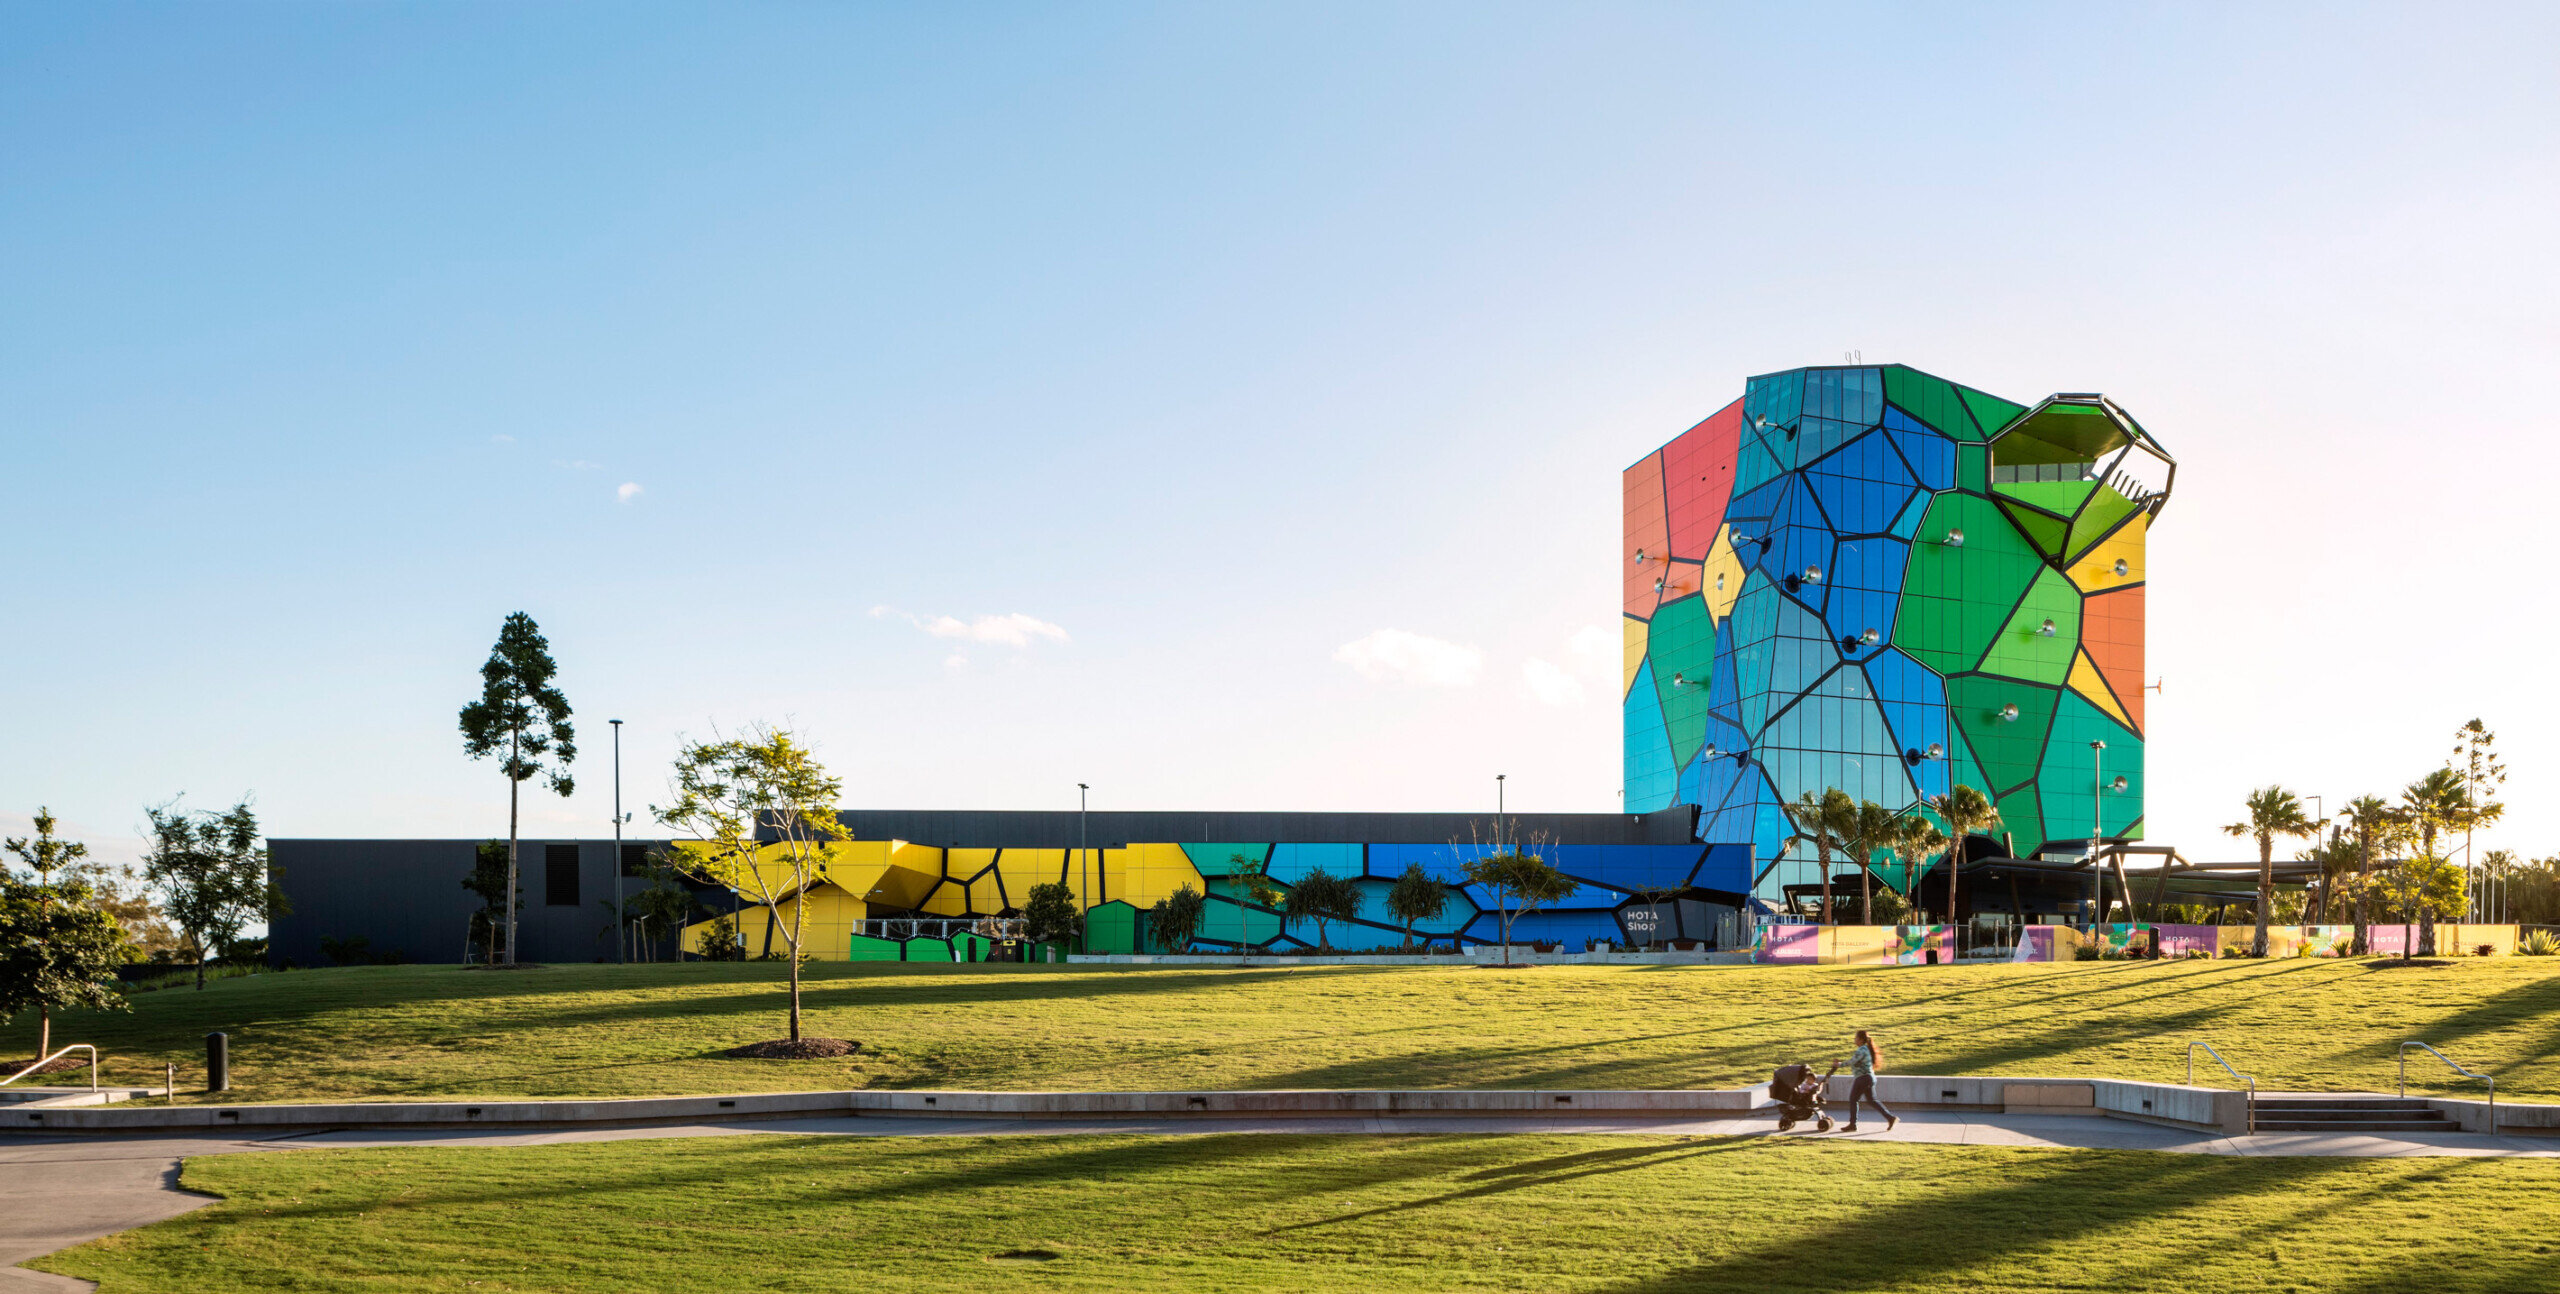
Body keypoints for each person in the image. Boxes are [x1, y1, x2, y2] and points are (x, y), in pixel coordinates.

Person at [1839, 1029, 1898, 1133]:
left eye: (1856, 1038)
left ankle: (1853, 1124)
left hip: (1863, 1078)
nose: (1854, 1039)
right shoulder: (1866, 1049)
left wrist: (1839, 1064)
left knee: (1853, 1099)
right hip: (1869, 1078)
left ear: (1861, 1039)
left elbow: (1853, 1061)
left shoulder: (1861, 1050)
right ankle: (1890, 1118)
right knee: (1872, 1100)